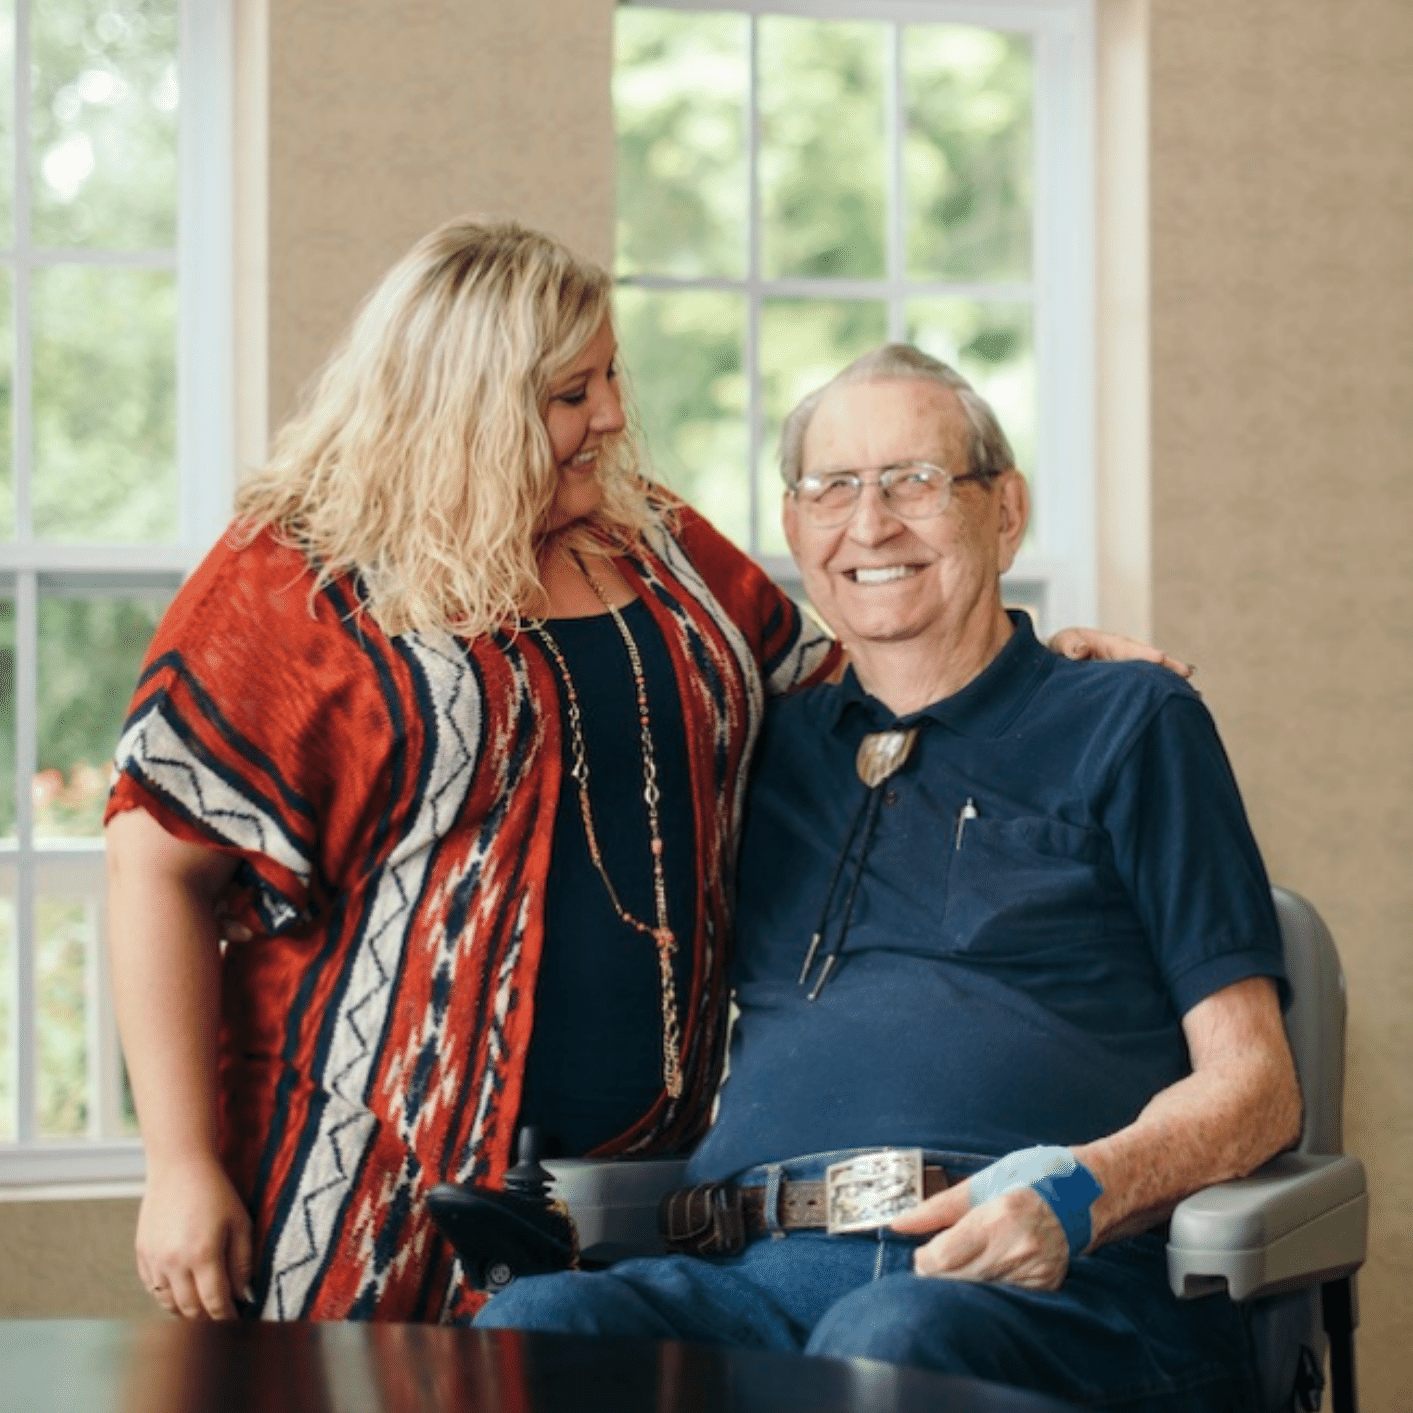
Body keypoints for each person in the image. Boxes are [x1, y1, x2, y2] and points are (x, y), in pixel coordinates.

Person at [104, 217, 1157, 1326]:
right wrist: (178, 1164)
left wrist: (1038, 660)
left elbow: (858, 672)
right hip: (362, 1175)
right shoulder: (298, 575)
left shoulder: (654, 546)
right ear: (470, 397)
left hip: (639, 1200)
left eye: (610, 376)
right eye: (572, 392)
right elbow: (157, 865)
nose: (611, 415)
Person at [475, 345, 1303, 1413]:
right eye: (833, 489)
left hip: (1042, 1276)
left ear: (1005, 511)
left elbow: (1259, 1088)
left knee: (887, 1337)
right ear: (794, 528)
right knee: (535, 1326)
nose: (871, 526)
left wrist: (1081, 1195)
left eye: (916, 481)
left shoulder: (1130, 722)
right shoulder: (756, 749)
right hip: (749, 1278)